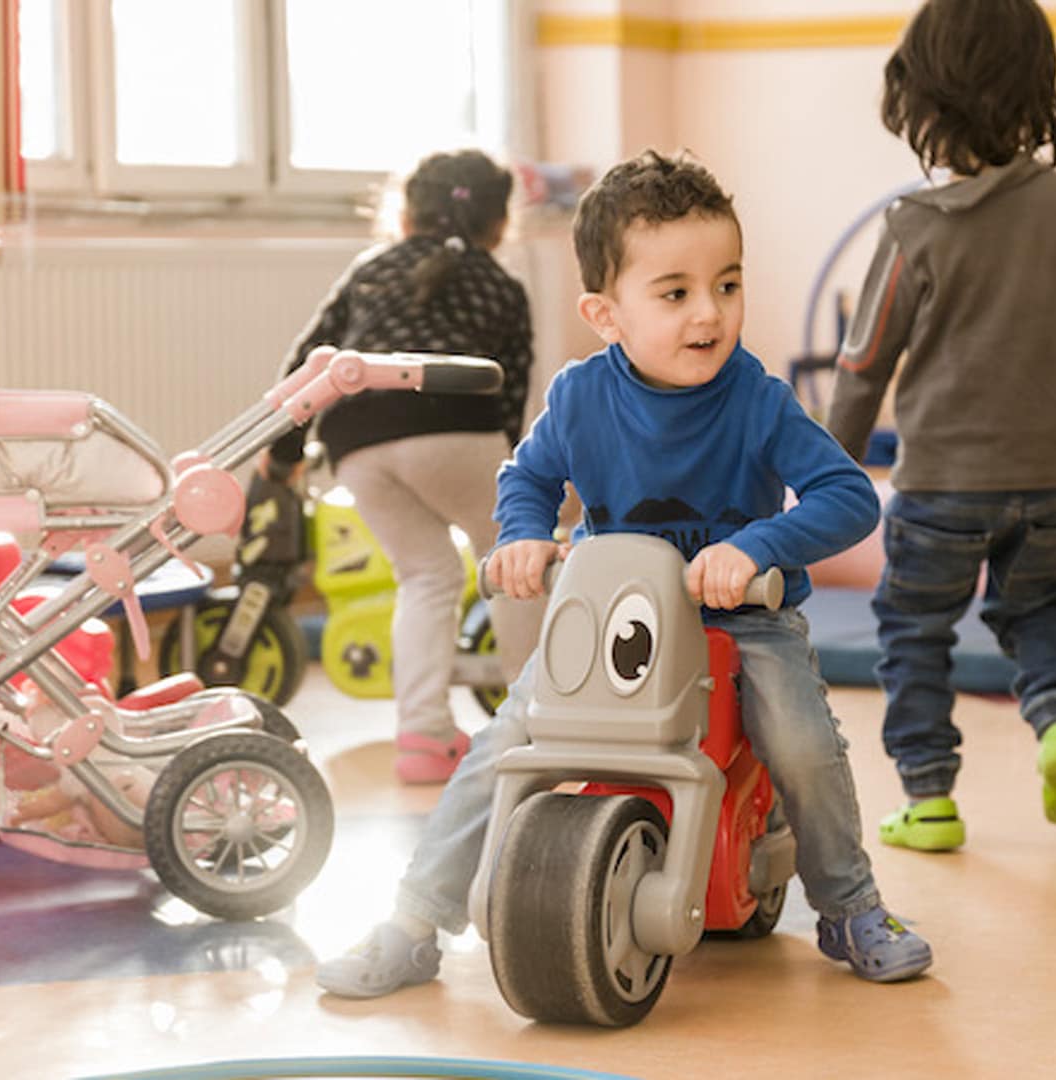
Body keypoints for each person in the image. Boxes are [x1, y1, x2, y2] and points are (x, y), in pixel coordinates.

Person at [315, 149, 934, 998]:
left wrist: (758, 548)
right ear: (605, 314)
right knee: (503, 743)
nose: (709, 313)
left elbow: (845, 498)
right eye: (675, 293)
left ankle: (851, 907)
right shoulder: (577, 398)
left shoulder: (757, 400)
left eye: (727, 283)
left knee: (799, 736)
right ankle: (415, 924)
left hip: (739, 620)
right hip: (615, 629)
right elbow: (526, 480)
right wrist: (525, 537)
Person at [824, 0, 1056, 852]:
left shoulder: (913, 227)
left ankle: (928, 802)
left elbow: (863, 363)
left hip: (941, 488)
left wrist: (829, 471)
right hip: (1054, 477)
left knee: (914, 631)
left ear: (923, 103)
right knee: (1036, 609)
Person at [264, 148, 543, 784]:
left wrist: (282, 460)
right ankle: (536, 724)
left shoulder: (371, 270)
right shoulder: (501, 285)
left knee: (425, 575)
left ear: (405, 213)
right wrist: (515, 480)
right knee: (511, 560)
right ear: (499, 224)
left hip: (356, 437)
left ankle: (422, 736)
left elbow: (308, 364)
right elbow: (512, 393)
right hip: (457, 425)